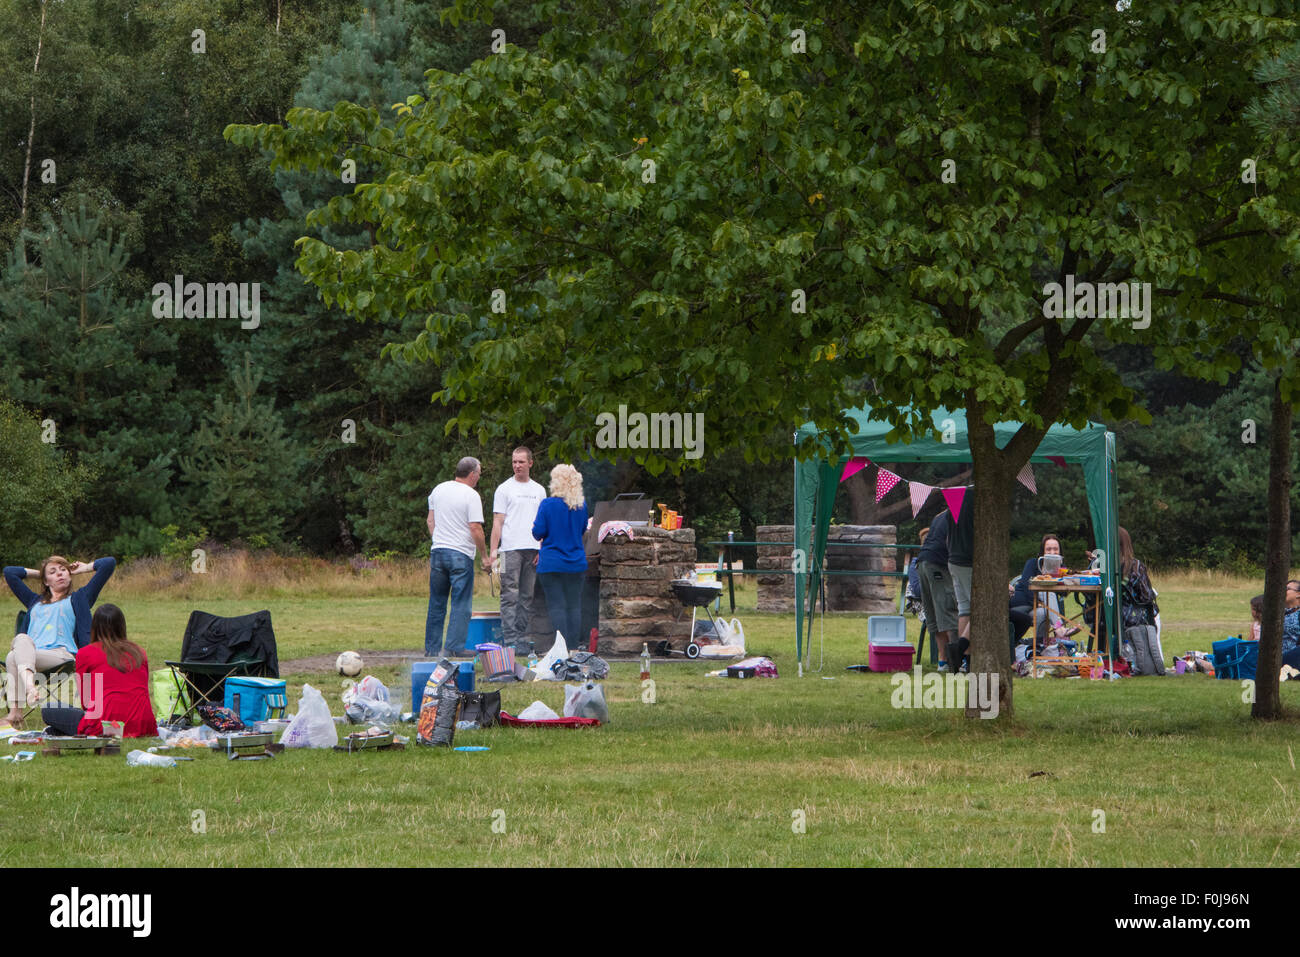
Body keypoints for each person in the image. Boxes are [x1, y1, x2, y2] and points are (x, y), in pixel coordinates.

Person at [2, 555, 116, 729]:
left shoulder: (80, 598)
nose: (60, 574)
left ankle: (19, 707)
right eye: (53, 572)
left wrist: (83, 568)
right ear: (46, 580)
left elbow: (109, 563)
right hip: (31, 655)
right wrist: (40, 573)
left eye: (64, 570)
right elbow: (9, 572)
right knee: (15, 651)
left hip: (61, 655)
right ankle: (24, 700)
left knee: (15, 651)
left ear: (70, 575)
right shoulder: (34, 601)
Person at [41, 604, 157, 738]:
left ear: (94, 627)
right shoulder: (139, 652)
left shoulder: (85, 653)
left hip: (106, 726)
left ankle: (62, 731)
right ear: (122, 626)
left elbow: (86, 702)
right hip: (144, 724)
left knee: (49, 709)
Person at [426, 457, 487, 657]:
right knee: (461, 603)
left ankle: (432, 649)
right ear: (472, 474)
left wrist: (438, 539)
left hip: (438, 552)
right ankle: (454, 647)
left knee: (437, 603)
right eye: (478, 474)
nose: (478, 478)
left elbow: (430, 521)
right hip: (460, 554)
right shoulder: (471, 495)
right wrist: (484, 556)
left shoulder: (438, 489)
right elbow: (475, 528)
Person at [487, 447, 546, 653]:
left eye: (521, 462)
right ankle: (510, 639)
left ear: (530, 463)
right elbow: (498, 521)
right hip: (509, 549)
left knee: (527, 596)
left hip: (532, 548)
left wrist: (542, 549)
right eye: (514, 462)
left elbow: (543, 522)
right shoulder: (504, 489)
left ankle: (522, 639)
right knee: (508, 595)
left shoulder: (539, 490)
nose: (517, 466)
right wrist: (493, 552)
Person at [531, 464, 588, 649]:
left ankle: (560, 648)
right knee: (574, 606)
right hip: (576, 563)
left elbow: (538, 532)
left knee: (556, 606)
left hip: (552, 563)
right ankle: (573, 647)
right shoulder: (581, 506)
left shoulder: (547, 504)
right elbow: (581, 531)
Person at [1009, 534, 1079, 647]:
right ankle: (1059, 629)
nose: (1052, 552)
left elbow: (1063, 593)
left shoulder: (1061, 569)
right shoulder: (1032, 563)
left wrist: (1059, 576)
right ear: (1043, 552)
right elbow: (1027, 587)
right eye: (1048, 549)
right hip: (1021, 604)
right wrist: (1039, 603)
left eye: (1055, 549)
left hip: (1039, 610)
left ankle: (1039, 648)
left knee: (1043, 614)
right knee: (1047, 593)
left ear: (1060, 552)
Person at [915, 511, 958, 670]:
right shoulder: (961, 514)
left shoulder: (939, 515)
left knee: (934, 614)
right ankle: (957, 661)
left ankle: (943, 661)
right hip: (938, 564)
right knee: (949, 612)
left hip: (923, 563)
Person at [946, 499, 974, 673]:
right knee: (981, 609)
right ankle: (958, 648)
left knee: (965, 609)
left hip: (953, 560)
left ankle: (966, 663)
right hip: (968, 561)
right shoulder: (978, 501)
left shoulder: (954, 499)